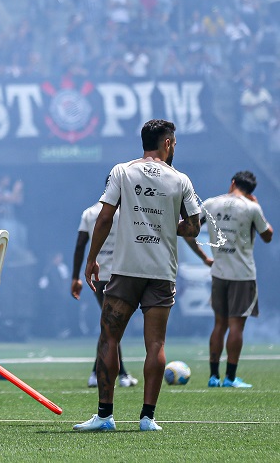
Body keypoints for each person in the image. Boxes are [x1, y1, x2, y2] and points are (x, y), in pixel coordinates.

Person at [74, 119, 201, 433]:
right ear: (168, 143)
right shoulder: (181, 179)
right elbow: (194, 227)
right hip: (162, 272)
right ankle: (147, 418)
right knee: (155, 344)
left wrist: (91, 260)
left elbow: (104, 218)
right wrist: (169, 225)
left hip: (127, 270)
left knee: (109, 337)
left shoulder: (122, 171)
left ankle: (105, 416)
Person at [185, 171, 272, 389]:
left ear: (232, 182)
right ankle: (230, 378)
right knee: (236, 327)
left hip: (219, 273)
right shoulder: (252, 207)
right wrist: (256, 206)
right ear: (251, 191)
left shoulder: (211, 204)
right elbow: (268, 235)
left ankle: (213, 377)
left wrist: (204, 258)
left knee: (219, 324)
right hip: (242, 275)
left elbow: (188, 232)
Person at [71, 180, 138, 388]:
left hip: (99, 277)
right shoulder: (128, 213)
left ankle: (102, 373)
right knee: (111, 327)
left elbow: (80, 245)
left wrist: (76, 277)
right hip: (120, 274)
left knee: (110, 325)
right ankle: (116, 374)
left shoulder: (89, 213)